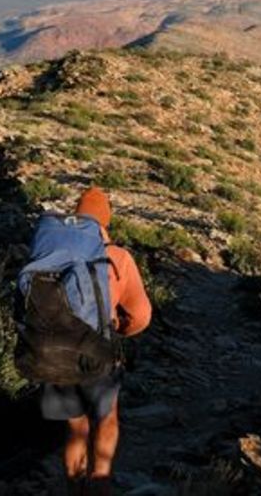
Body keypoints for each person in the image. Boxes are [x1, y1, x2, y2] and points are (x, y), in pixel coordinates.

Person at [30, 187, 152, 496]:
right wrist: (120, 330)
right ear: (106, 221)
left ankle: (74, 486)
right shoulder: (117, 257)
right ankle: (100, 483)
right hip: (98, 350)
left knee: (75, 426)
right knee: (107, 418)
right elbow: (141, 315)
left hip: (51, 348)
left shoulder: (50, 253)